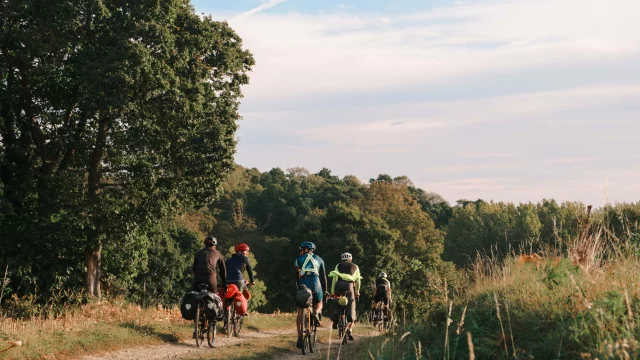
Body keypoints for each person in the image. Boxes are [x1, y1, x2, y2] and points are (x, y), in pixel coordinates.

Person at [295, 242, 328, 349]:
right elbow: (323, 277)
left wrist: (298, 287)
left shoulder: (298, 259)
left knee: (300, 309)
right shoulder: (320, 259)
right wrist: (325, 290)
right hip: (316, 282)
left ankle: (300, 337)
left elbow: (296, 275)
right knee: (319, 302)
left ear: (305, 249)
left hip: (304, 283)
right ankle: (315, 312)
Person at [328, 252, 362, 341]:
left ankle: (336, 319)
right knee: (351, 305)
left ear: (341, 259)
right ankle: (350, 330)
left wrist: (332, 292)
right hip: (349, 287)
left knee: (336, 300)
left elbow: (334, 279)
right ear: (351, 259)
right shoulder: (355, 267)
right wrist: (357, 292)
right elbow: (358, 281)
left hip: (338, 285)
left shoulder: (338, 265)